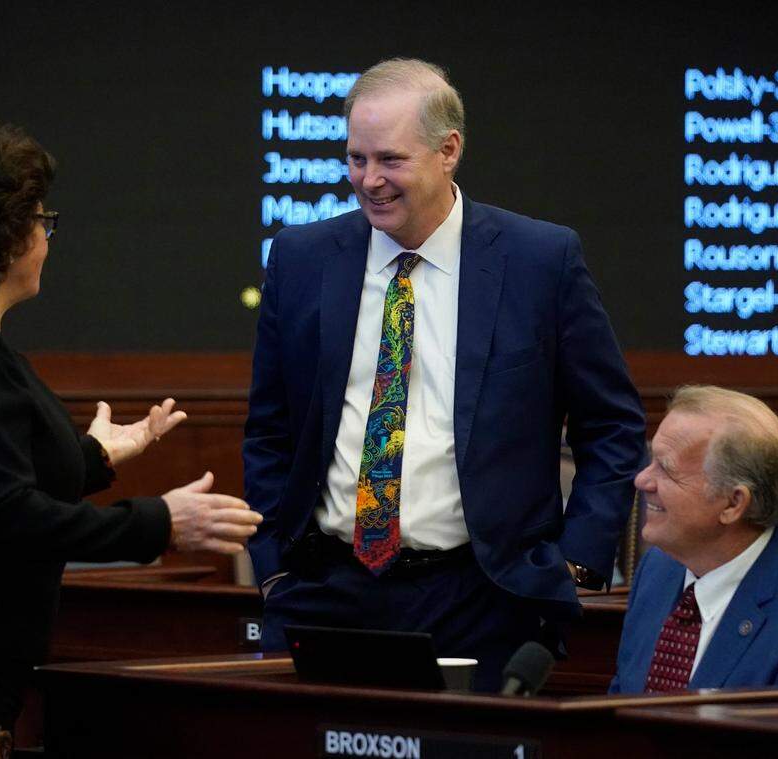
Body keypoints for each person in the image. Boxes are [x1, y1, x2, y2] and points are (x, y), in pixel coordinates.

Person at [0, 124, 262, 757]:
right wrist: (160, 524)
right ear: (3, 235)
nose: (46, 237)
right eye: (40, 220)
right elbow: (7, 515)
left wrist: (94, 456)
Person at [244, 58, 646, 690]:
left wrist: (575, 566)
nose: (369, 180)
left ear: (448, 150)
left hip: (485, 597)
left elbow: (613, 427)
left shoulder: (540, 261)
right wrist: (272, 567)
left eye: (390, 160)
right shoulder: (300, 259)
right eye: (356, 159)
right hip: (324, 590)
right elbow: (269, 432)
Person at [609, 386, 778, 694]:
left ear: (732, 504)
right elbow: (620, 704)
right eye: (651, 461)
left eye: (666, 469)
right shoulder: (658, 569)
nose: (642, 480)